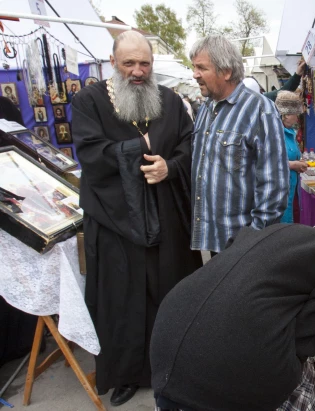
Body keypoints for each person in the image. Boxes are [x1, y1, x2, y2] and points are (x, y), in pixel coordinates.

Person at [72, 30, 203, 406]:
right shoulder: (89, 101)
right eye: (129, 63)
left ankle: (176, 367)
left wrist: (170, 165)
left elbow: (188, 142)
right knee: (124, 299)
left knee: (171, 292)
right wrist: (137, 151)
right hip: (117, 220)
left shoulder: (171, 100)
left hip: (166, 215)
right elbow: (91, 152)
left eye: (144, 63)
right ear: (113, 62)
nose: (138, 71)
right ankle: (128, 373)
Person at [151, 213, 315, 411]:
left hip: (167, 339)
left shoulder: (274, 233)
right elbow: (306, 341)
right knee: (300, 377)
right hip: (230, 367)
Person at [190, 35, 289, 254]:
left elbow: (275, 187)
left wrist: (252, 241)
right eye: (194, 67)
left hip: (242, 246)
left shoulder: (260, 110)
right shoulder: (206, 108)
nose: (195, 74)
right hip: (212, 240)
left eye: (201, 68)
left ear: (226, 71)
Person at [275, 91, 307, 223]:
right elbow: (269, 163)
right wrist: (294, 165)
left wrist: (298, 162)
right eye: (295, 114)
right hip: (279, 192)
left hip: (291, 189)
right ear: (286, 115)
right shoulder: (275, 133)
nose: (297, 118)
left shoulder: (289, 132)